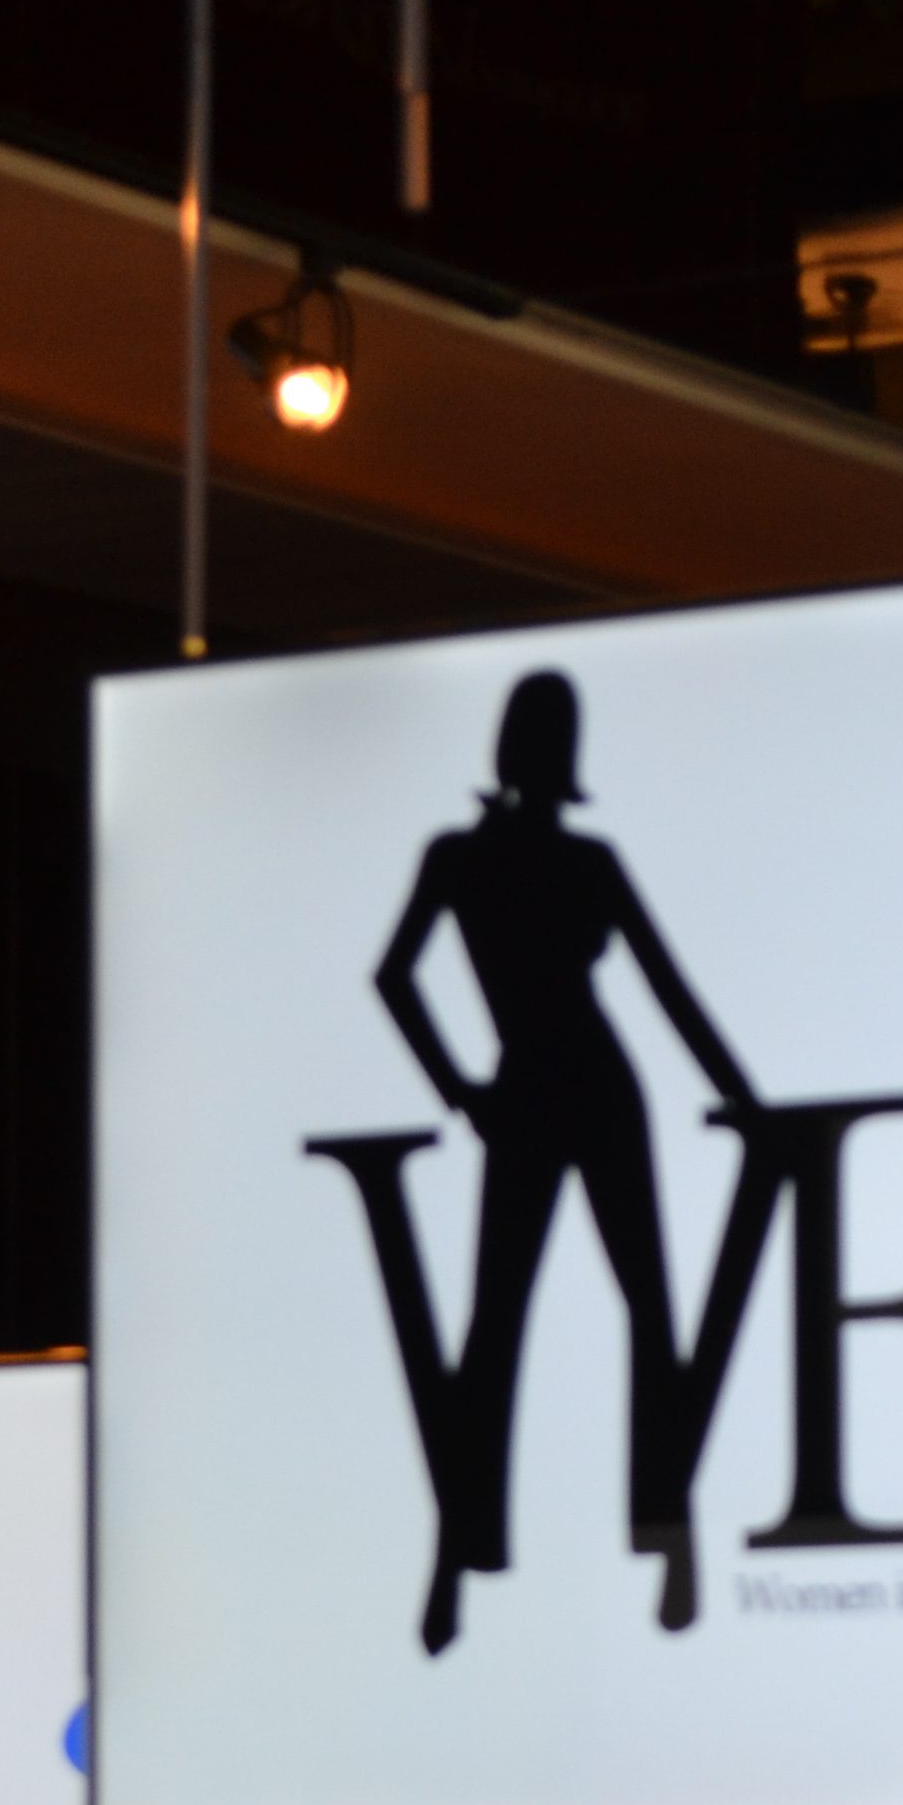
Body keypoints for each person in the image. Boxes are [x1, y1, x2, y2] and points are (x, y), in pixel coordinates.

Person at [372, 671, 759, 1655]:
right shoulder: (504, 858)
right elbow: (396, 977)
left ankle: (626, 1539)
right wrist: (463, 1094)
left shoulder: (497, 858)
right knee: (553, 1315)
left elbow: (666, 990)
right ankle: (473, 1551)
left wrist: (465, 1091)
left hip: (556, 1092)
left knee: (540, 1317)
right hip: (559, 1089)